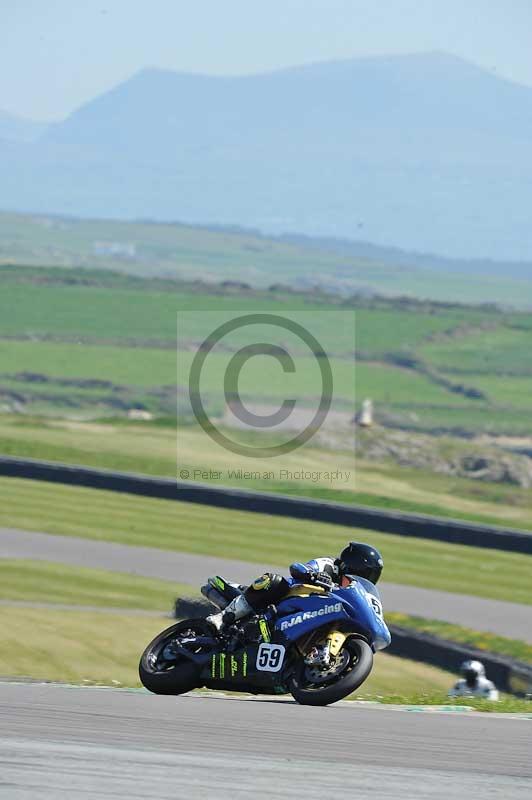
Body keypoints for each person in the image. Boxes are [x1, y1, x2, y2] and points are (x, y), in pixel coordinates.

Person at [203, 541, 384, 632]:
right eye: (366, 573)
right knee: (273, 580)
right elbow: (297, 567)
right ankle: (223, 618)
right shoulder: (329, 565)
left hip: (308, 616)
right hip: (282, 599)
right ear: (354, 565)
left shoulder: (356, 592)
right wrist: (313, 574)